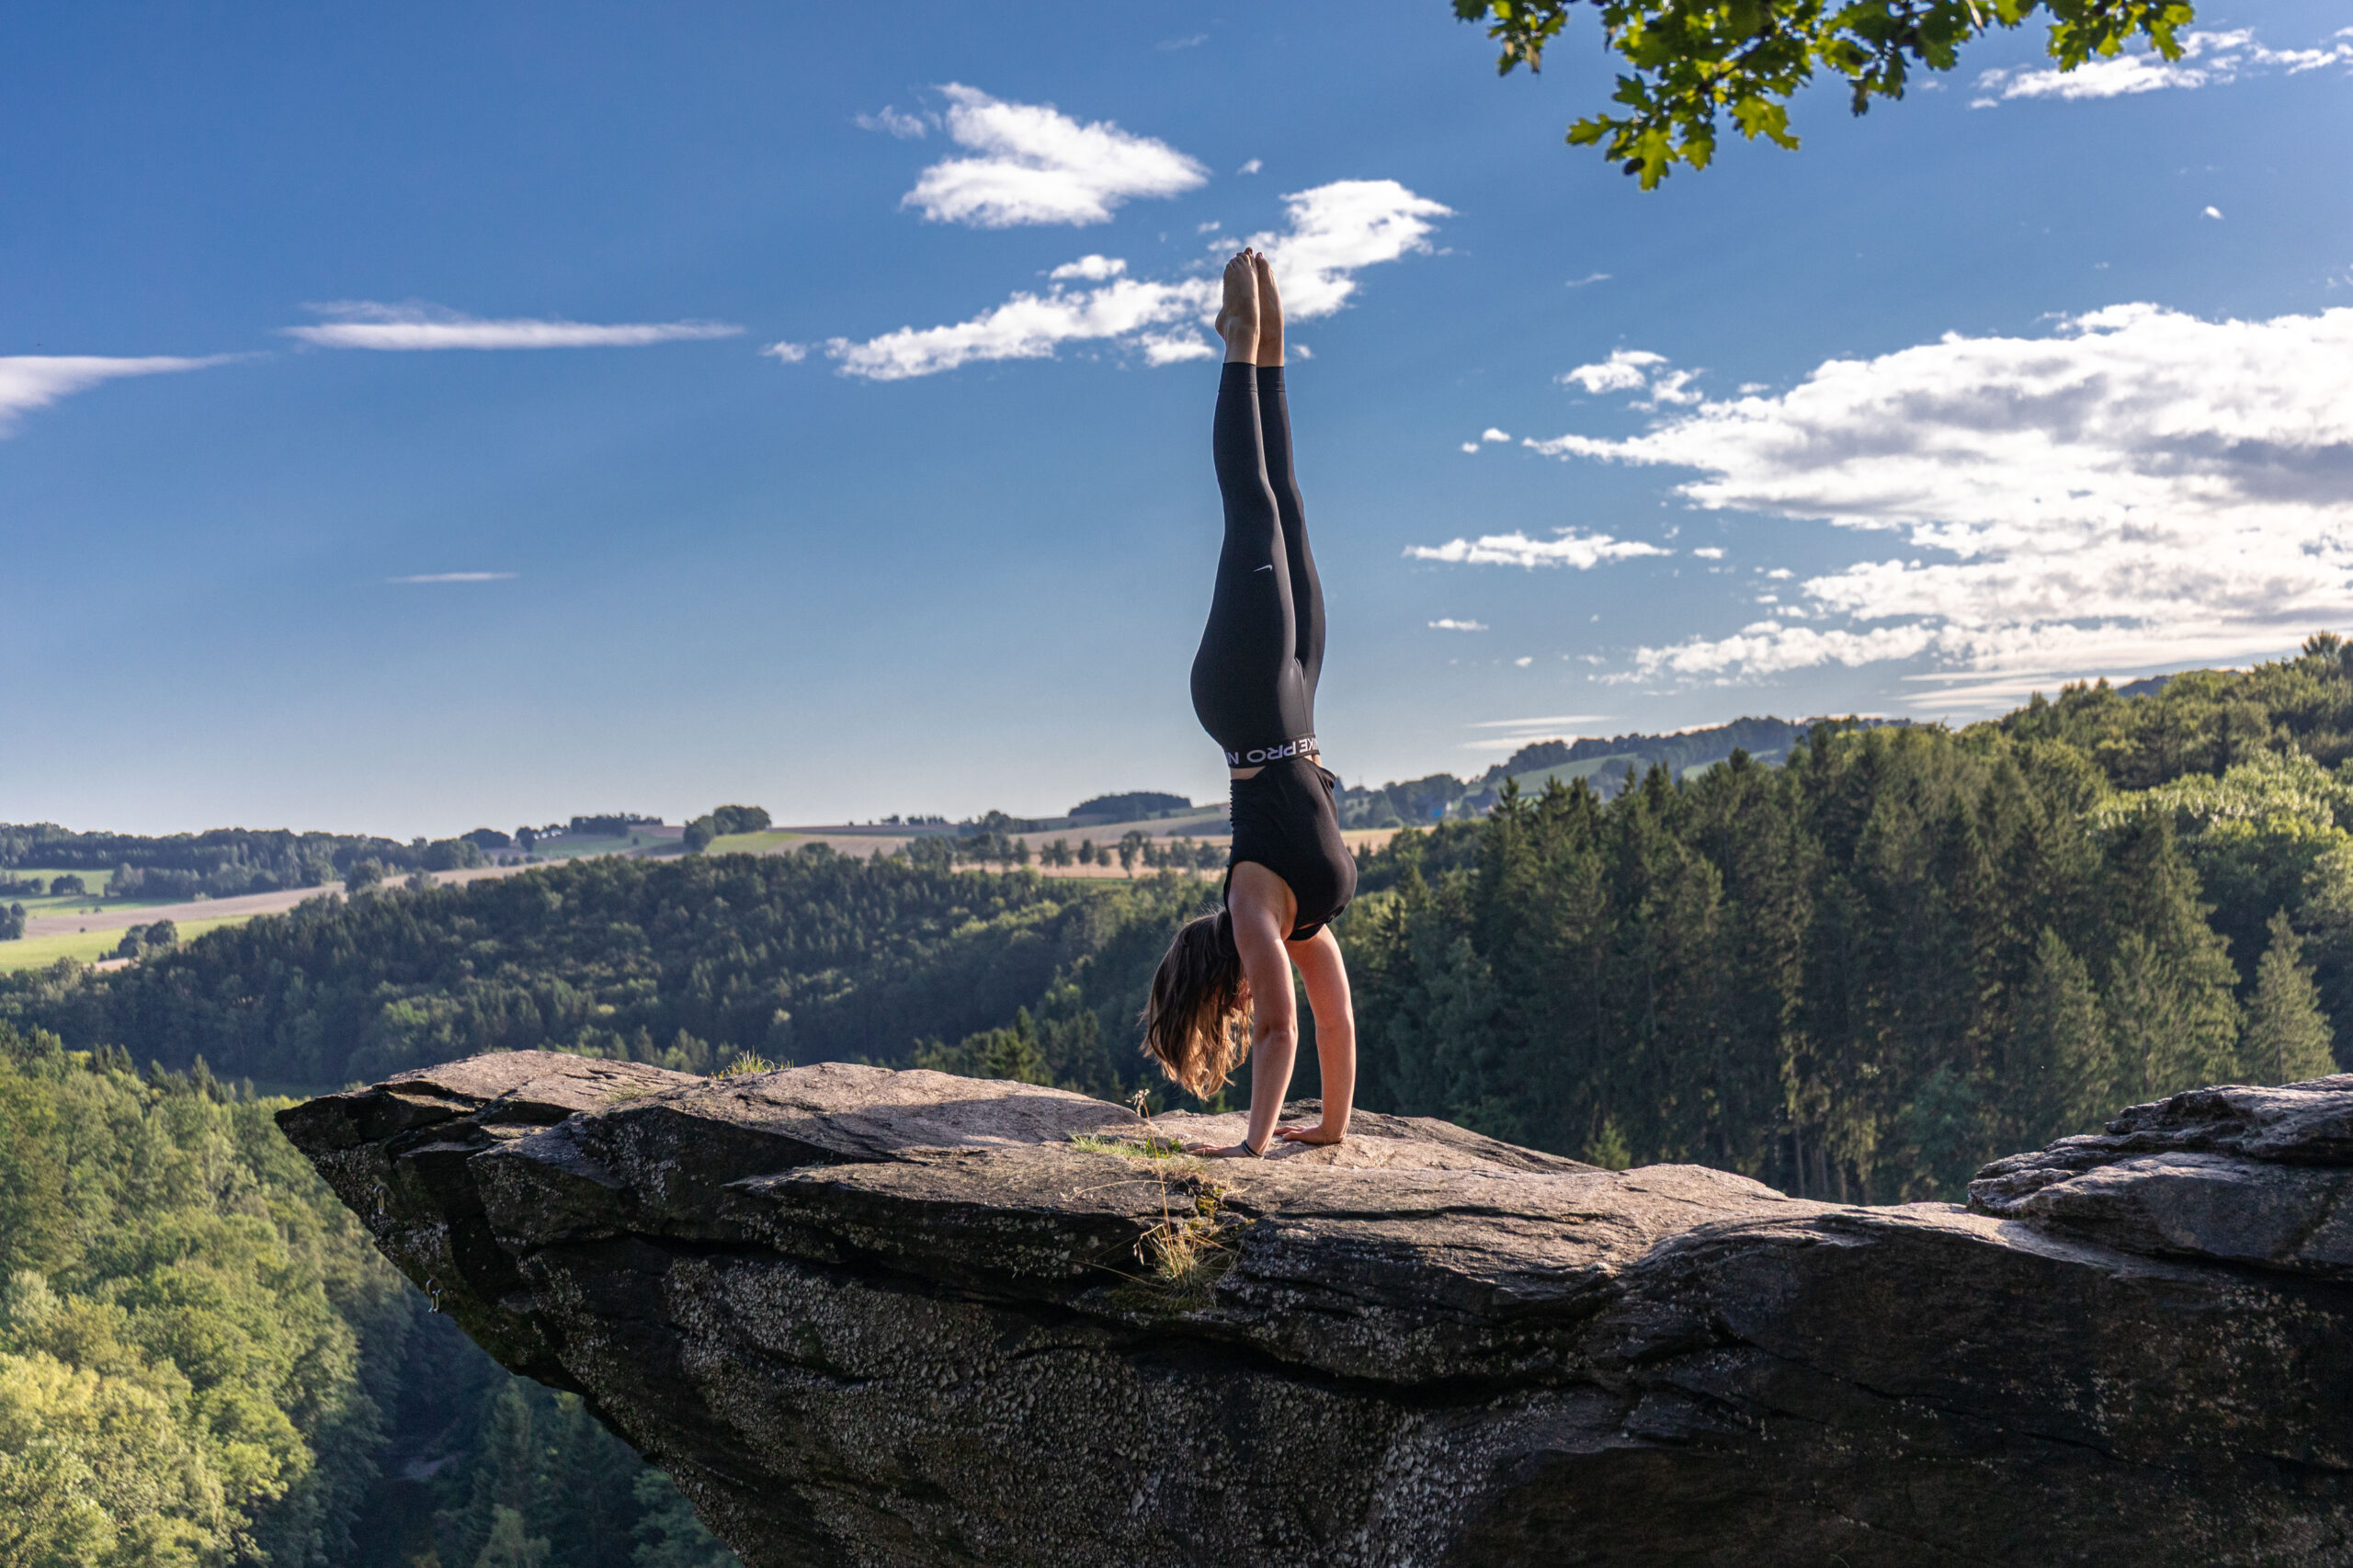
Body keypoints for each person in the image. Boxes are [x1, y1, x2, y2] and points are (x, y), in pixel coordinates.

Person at [1140, 249, 1358, 1158]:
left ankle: (1237, 345)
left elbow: (1281, 1033)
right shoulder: (1297, 922)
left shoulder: (1250, 905)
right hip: (1293, 701)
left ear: (1218, 973)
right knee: (1290, 513)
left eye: (1220, 1003)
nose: (1240, 1008)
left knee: (1251, 513)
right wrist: (1330, 1128)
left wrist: (1251, 1147)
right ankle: (1270, 349)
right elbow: (1329, 1023)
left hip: (1243, 695)